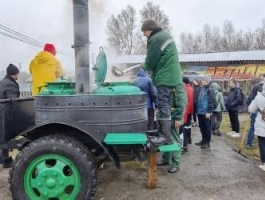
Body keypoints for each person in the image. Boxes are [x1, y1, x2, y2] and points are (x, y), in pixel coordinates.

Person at [141, 19, 183, 146]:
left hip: (165, 77)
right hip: (171, 75)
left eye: (144, 32)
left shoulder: (155, 39)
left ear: (149, 30)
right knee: (165, 104)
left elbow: (150, 61)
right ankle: (161, 132)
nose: (144, 35)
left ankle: (165, 136)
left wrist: (144, 65)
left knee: (163, 104)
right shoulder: (164, 35)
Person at [157, 83, 186, 173]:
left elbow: (181, 103)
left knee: (175, 140)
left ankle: (175, 164)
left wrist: (178, 118)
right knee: (165, 138)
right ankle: (165, 159)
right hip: (164, 116)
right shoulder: (166, 84)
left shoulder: (178, 86)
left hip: (173, 117)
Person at [0, 64, 20, 168]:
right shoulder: (10, 84)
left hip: (2, 112)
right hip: (5, 114)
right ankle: (6, 160)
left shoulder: (3, 82)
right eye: (18, 73)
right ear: (15, 73)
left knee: (3, 135)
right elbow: (13, 101)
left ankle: (2, 157)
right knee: (6, 136)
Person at [248, 83, 265, 172]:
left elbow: (251, 109)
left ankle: (264, 162)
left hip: (261, 123)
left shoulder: (259, 97)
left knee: (262, 143)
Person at [195, 76, 215, 149]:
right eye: (202, 80)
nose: (202, 81)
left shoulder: (210, 89)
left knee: (207, 127)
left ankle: (207, 142)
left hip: (206, 112)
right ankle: (203, 140)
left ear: (207, 81)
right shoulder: (202, 88)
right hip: (200, 111)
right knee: (202, 127)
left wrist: (209, 112)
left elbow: (211, 101)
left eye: (203, 80)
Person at [245, 74, 265, 149]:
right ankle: (249, 143)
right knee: (253, 126)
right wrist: (250, 105)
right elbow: (251, 96)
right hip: (257, 110)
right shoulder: (257, 86)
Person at [182, 76, 194, 152]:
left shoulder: (186, 89)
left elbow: (187, 101)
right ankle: (188, 139)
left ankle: (185, 140)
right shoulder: (190, 88)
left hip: (187, 110)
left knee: (185, 126)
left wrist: (185, 110)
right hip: (190, 109)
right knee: (188, 125)